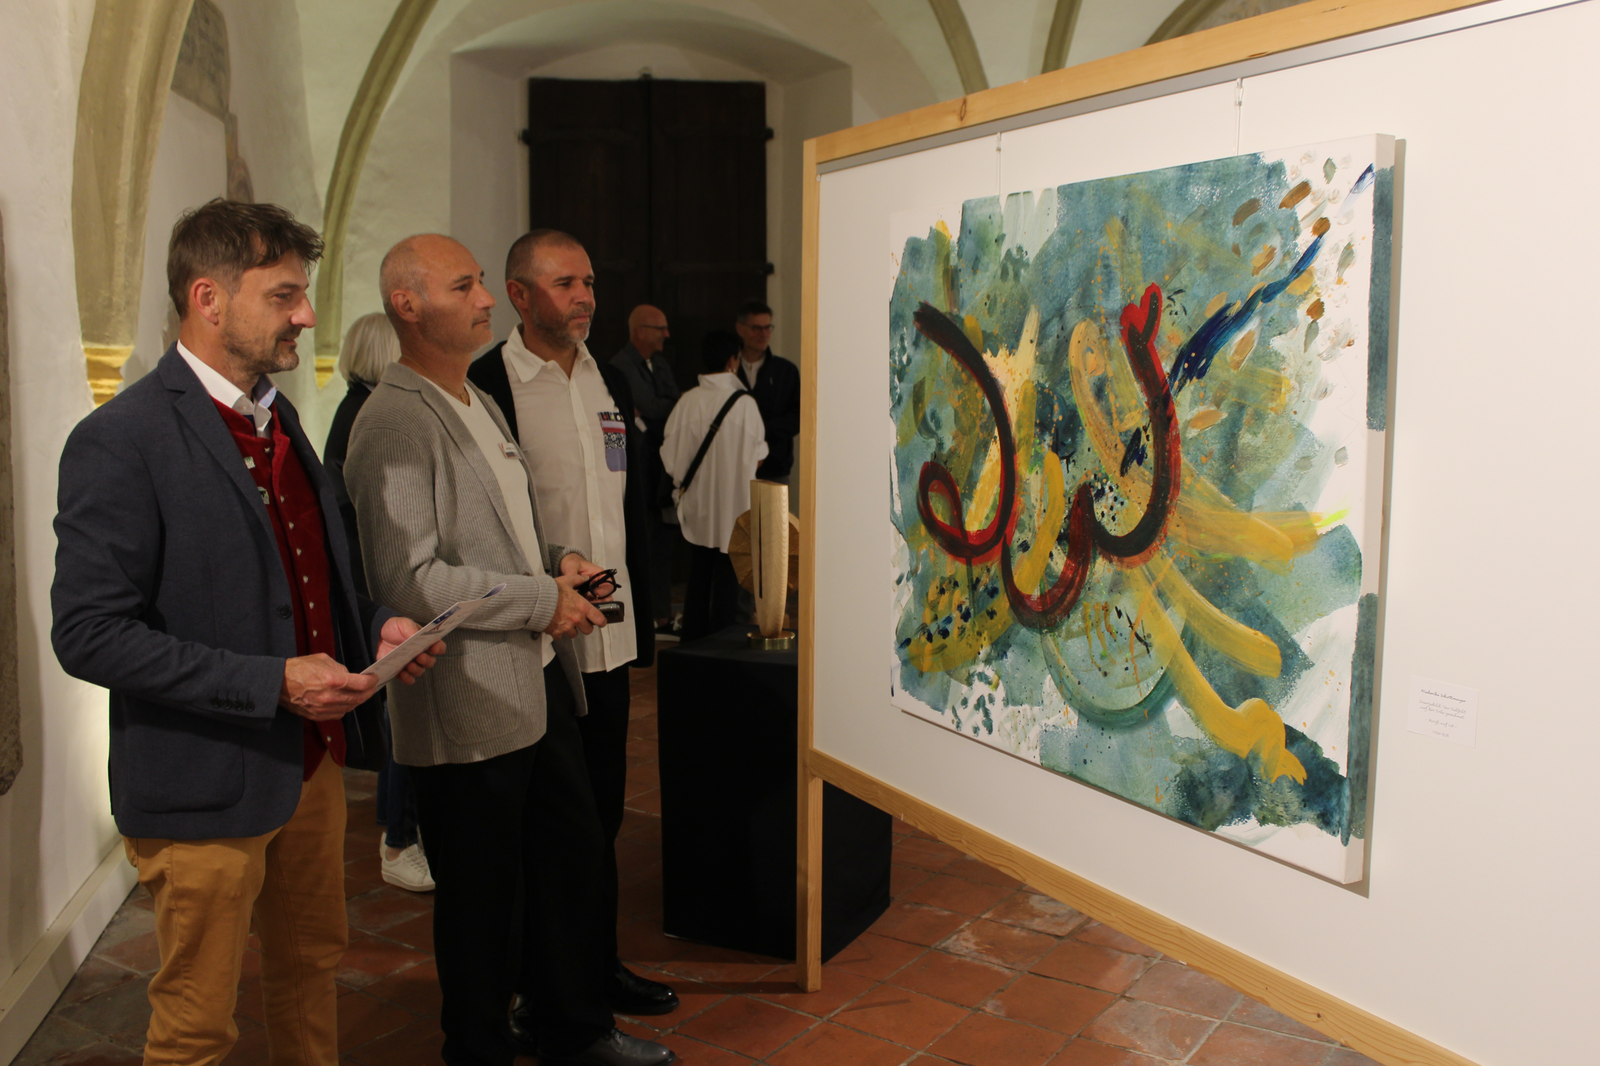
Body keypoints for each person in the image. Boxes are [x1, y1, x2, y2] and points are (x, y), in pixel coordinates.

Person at [50, 199, 442, 1066]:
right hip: (204, 783)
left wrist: (375, 626)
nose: (306, 316)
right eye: (284, 296)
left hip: (309, 768)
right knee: (196, 1025)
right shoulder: (121, 438)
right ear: (209, 298)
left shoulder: (280, 418)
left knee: (311, 970)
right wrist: (273, 683)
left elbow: (307, 577)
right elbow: (88, 633)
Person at [345, 233, 675, 1066]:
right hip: (467, 694)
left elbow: (511, 531)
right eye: (465, 286)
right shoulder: (394, 418)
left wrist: (559, 559)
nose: (486, 298)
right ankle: (481, 1046)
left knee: (567, 857)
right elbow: (411, 577)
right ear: (409, 306)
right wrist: (541, 600)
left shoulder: (472, 401)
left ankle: (571, 1026)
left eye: (483, 284)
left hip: (533, 679)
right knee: (482, 897)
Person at [467, 231, 678, 1032]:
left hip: (607, 636)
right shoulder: (489, 385)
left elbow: (623, 504)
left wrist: (637, 615)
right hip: (534, 643)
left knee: (602, 816)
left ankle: (595, 964)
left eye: (589, 281)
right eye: (565, 283)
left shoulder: (607, 379)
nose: (585, 296)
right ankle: (539, 983)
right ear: (519, 296)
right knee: (542, 827)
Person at [323, 311, 433, 893]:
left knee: (401, 716)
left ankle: (400, 830)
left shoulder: (356, 408)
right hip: (376, 587)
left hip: (372, 585)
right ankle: (399, 839)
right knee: (403, 719)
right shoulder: (368, 414)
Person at [661, 331, 768, 641]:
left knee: (698, 575)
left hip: (696, 506)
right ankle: (722, 647)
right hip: (734, 507)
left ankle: (692, 644)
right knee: (729, 581)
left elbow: (669, 458)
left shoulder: (687, 401)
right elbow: (759, 457)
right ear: (733, 361)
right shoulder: (745, 404)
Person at [609, 305, 681, 636]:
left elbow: (673, 403)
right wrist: (655, 408)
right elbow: (653, 405)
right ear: (640, 331)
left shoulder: (660, 364)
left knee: (663, 542)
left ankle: (661, 614)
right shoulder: (620, 366)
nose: (667, 334)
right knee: (644, 541)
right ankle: (648, 616)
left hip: (661, 464)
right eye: (660, 328)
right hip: (639, 464)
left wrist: (654, 409)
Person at [732, 300, 799, 484]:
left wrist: (760, 430)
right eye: (756, 328)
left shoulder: (786, 370)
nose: (763, 334)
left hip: (774, 468)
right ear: (740, 329)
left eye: (768, 328)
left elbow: (798, 417)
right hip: (733, 467)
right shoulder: (728, 370)